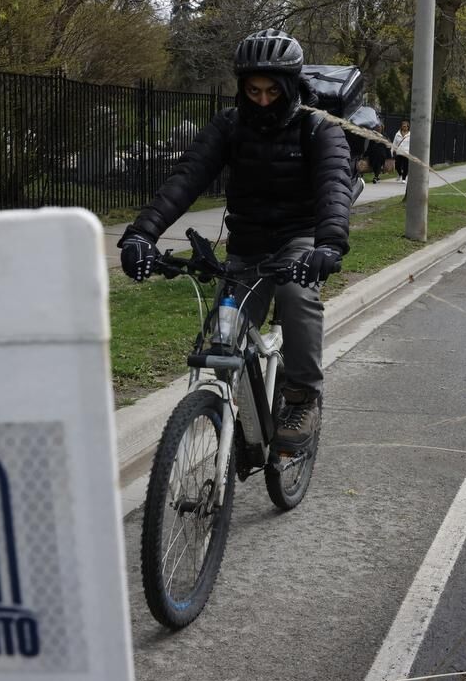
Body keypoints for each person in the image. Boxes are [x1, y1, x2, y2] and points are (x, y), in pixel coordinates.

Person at [116, 28, 354, 452]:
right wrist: (141, 234)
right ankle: (239, 419)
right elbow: (185, 179)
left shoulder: (319, 129)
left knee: (297, 297)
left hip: (299, 239)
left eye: (272, 91)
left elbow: (335, 188)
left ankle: (303, 397)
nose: (262, 100)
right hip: (247, 244)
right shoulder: (229, 126)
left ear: (291, 86)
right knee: (224, 337)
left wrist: (329, 245)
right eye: (253, 90)